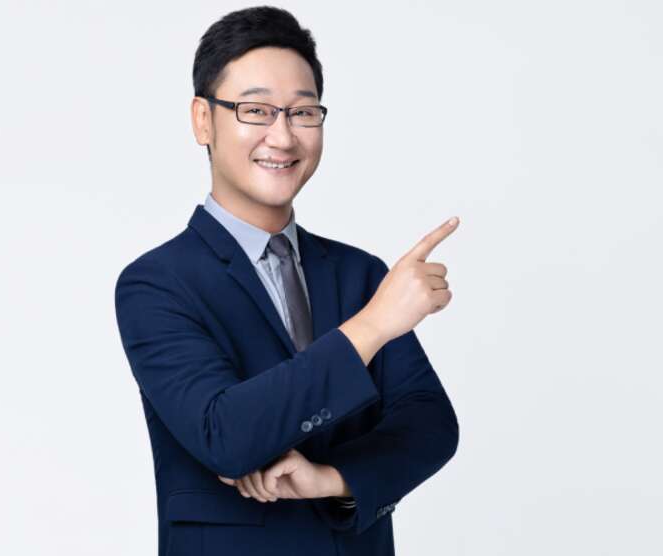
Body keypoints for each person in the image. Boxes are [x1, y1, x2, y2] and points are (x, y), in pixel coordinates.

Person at [114, 6, 461, 555]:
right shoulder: (156, 284)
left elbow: (430, 424)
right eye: (255, 110)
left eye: (302, 113)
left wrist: (332, 479)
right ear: (203, 120)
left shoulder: (359, 273)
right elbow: (225, 435)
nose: (282, 136)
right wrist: (373, 325)